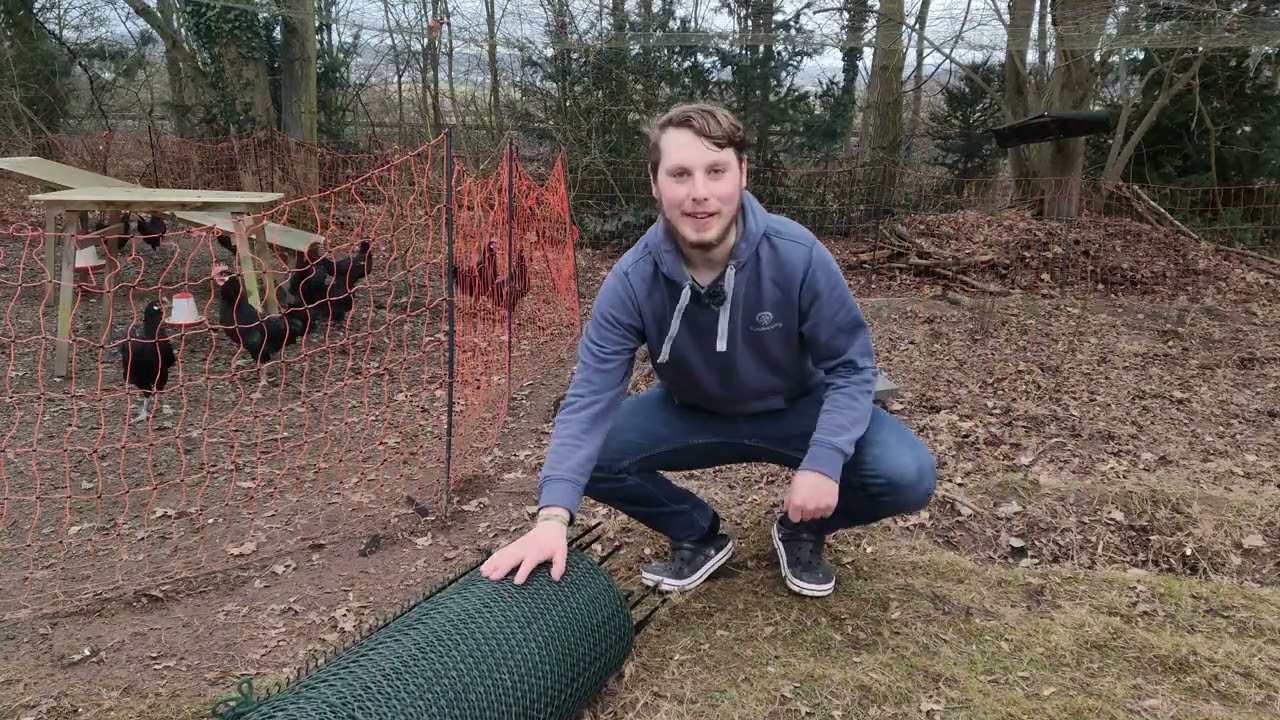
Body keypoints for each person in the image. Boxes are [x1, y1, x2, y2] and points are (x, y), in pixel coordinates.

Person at [480, 102, 937, 597]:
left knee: (907, 474)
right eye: (680, 174)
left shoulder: (799, 255)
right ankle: (696, 532)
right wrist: (552, 517)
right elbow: (589, 397)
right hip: (689, 411)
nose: (699, 193)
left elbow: (851, 369)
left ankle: (803, 527)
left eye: (715, 171)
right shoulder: (632, 279)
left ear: (741, 174)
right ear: (655, 183)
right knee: (586, 457)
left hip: (799, 410)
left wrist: (824, 462)